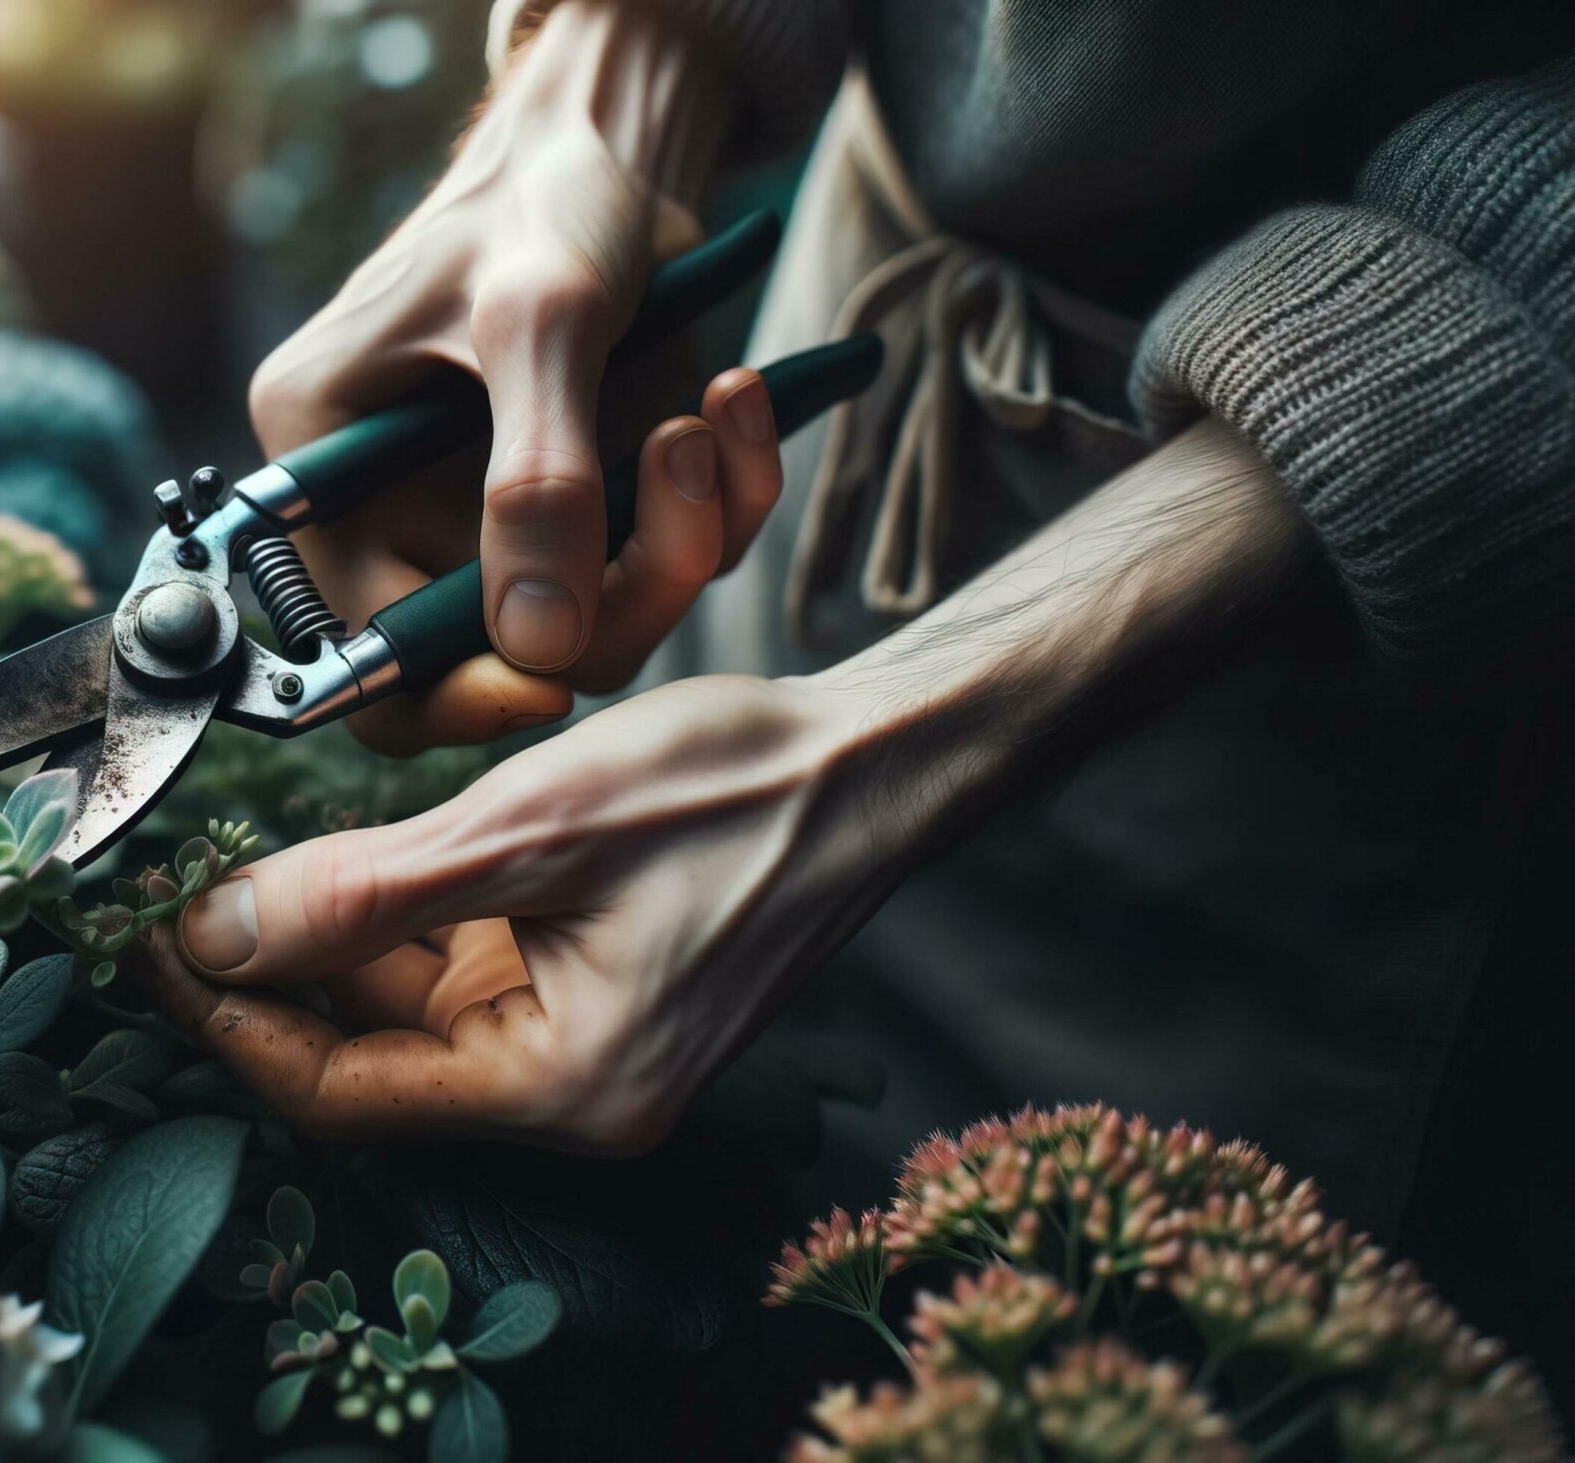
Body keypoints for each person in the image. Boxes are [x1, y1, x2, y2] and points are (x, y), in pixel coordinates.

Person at [139, 0, 1575, 1410]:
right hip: (861, 301)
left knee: (1084, 1333)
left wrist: (884, 745)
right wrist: (594, 113)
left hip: (1373, 625)